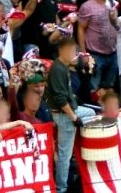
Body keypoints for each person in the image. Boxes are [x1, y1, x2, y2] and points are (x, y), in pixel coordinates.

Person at [47, 37, 95, 193]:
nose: (74, 54)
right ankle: (61, 189)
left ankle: (83, 145)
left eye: (74, 51)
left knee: (91, 112)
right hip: (64, 115)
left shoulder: (64, 67)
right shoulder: (57, 69)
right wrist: (74, 118)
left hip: (72, 110)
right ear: (61, 51)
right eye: (71, 51)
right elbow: (60, 99)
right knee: (64, 155)